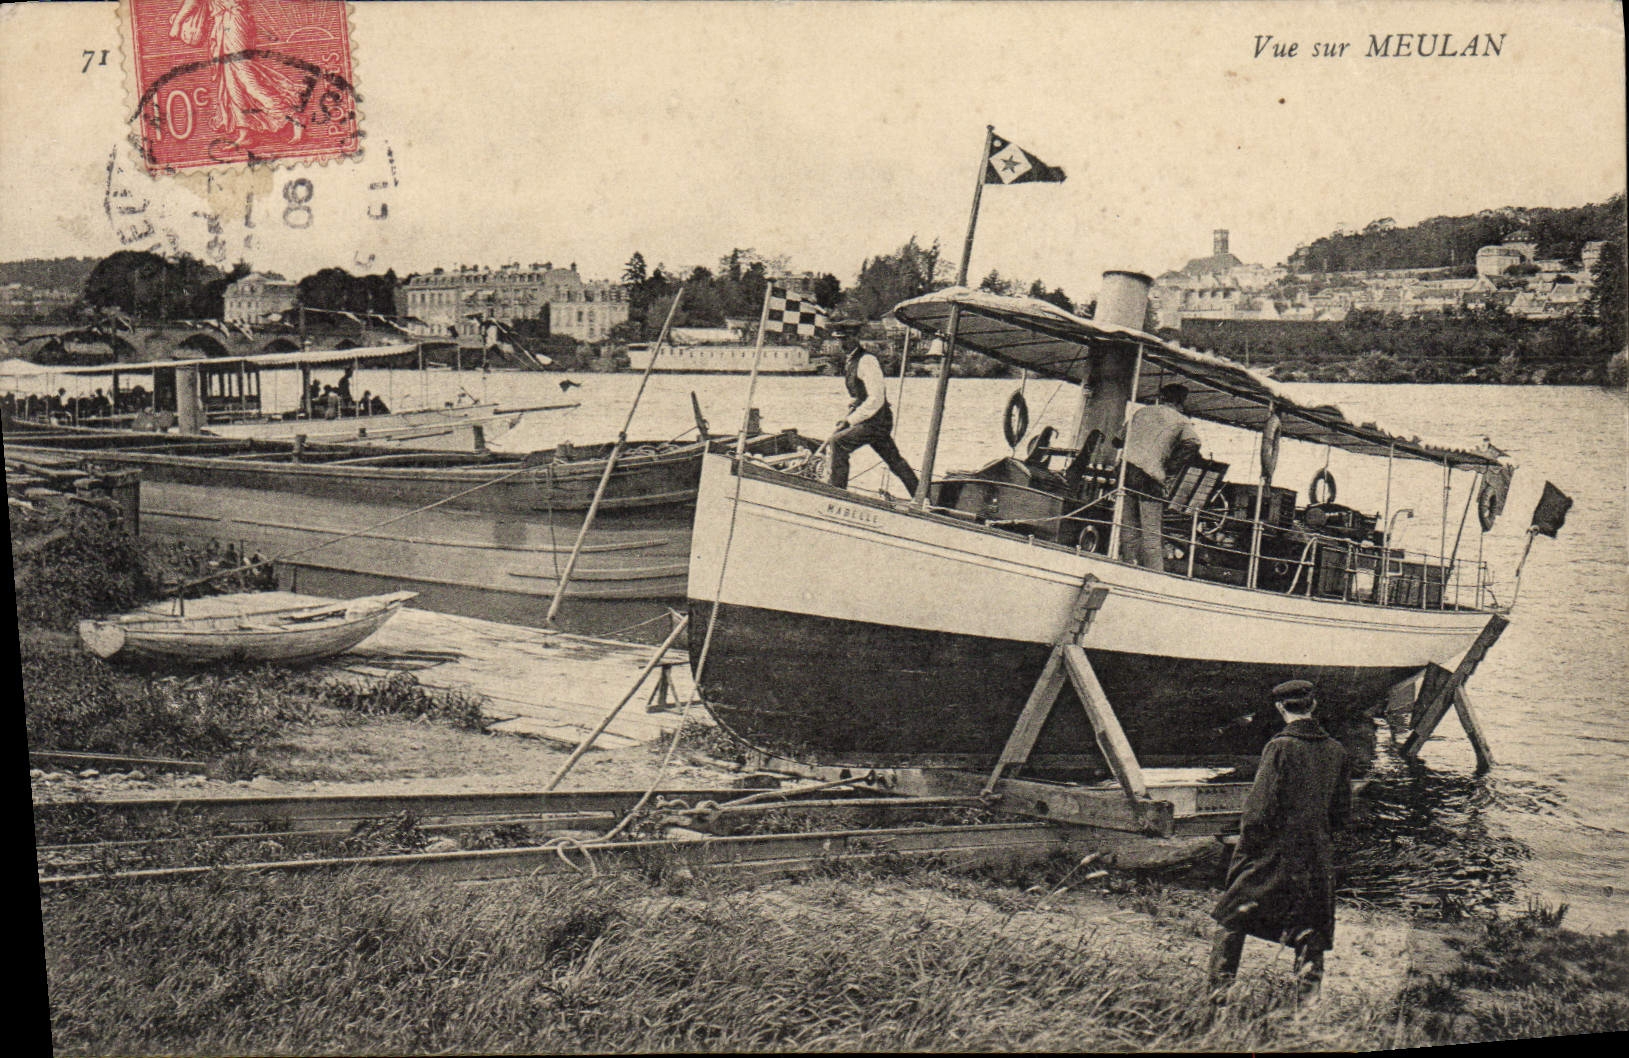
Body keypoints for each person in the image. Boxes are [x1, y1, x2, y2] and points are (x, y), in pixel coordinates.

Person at [1208, 679, 1351, 1002]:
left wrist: (1244, 850)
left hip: (1274, 852)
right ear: (1313, 706)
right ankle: (1307, 1002)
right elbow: (1341, 815)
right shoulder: (1337, 750)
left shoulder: (1279, 747)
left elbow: (1258, 811)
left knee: (1230, 915)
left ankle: (1218, 994)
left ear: (1279, 708)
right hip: (1315, 855)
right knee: (1311, 928)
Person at [826, 320, 919, 497]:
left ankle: (837, 493)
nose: (841, 344)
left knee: (838, 443)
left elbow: (876, 398)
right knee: (894, 460)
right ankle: (922, 495)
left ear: (855, 338)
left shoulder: (867, 360)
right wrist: (853, 406)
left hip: (876, 421)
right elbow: (861, 395)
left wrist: (850, 421)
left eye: (845, 339)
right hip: (871, 420)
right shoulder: (852, 360)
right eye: (839, 340)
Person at [1118, 382, 1203, 571]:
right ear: (1180, 402)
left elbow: (1118, 440)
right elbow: (1193, 442)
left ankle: (1127, 567)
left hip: (1126, 471)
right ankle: (1155, 575)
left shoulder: (1141, 412)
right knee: (1151, 534)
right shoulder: (1181, 420)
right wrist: (1171, 467)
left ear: (1161, 398)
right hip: (1150, 477)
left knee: (1128, 529)